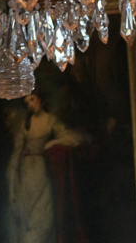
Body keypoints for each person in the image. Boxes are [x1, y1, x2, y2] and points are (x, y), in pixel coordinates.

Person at [6, 92, 85, 243]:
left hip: (42, 172)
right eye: (27, 103)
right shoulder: (26, 123)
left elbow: (68, 136)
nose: (30, 104)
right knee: (25, 214)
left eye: (31, 99)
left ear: (40, 99)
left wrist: (52, 143)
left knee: (43, 216)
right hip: (26, 172)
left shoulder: (50, 120)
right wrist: (12, 181)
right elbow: (17, 153)